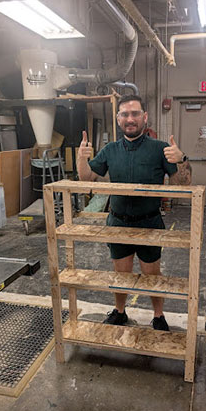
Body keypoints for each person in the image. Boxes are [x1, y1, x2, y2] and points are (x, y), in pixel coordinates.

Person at [76, 94, 192, 331]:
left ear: (144, 117)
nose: (130, 119)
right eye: (125, 114)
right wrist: (81, 159)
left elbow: (183, 184)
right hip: (118, 222)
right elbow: (86, 179)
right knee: (121, 274)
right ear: (118, 119)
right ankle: (120, 312)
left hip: (150, 223)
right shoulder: (110, 150)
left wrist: (181, 160)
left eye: (135, 113)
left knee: (152, 274)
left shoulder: (160, 149)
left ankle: (158, 316)